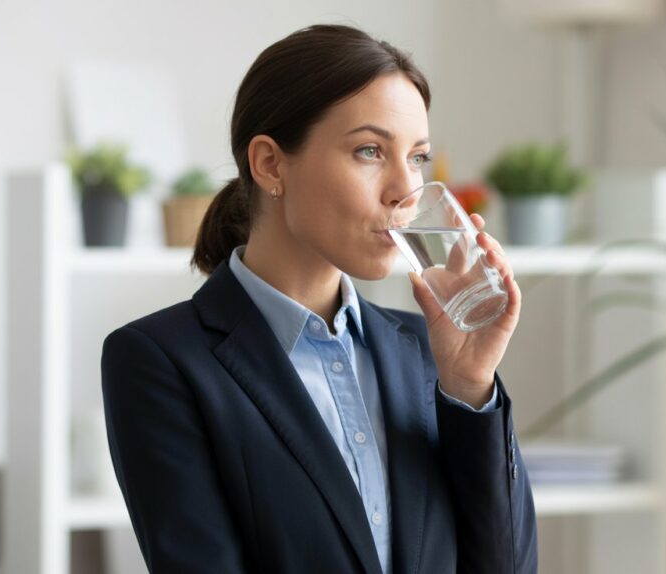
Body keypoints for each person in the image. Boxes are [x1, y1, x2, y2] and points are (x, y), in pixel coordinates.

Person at [101, 23, 538, 574]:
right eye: (370, 151)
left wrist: (471, 387)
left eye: (418, 158)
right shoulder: (160, 360)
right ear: (270, 164)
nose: (405, 191)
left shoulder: (430, 353)